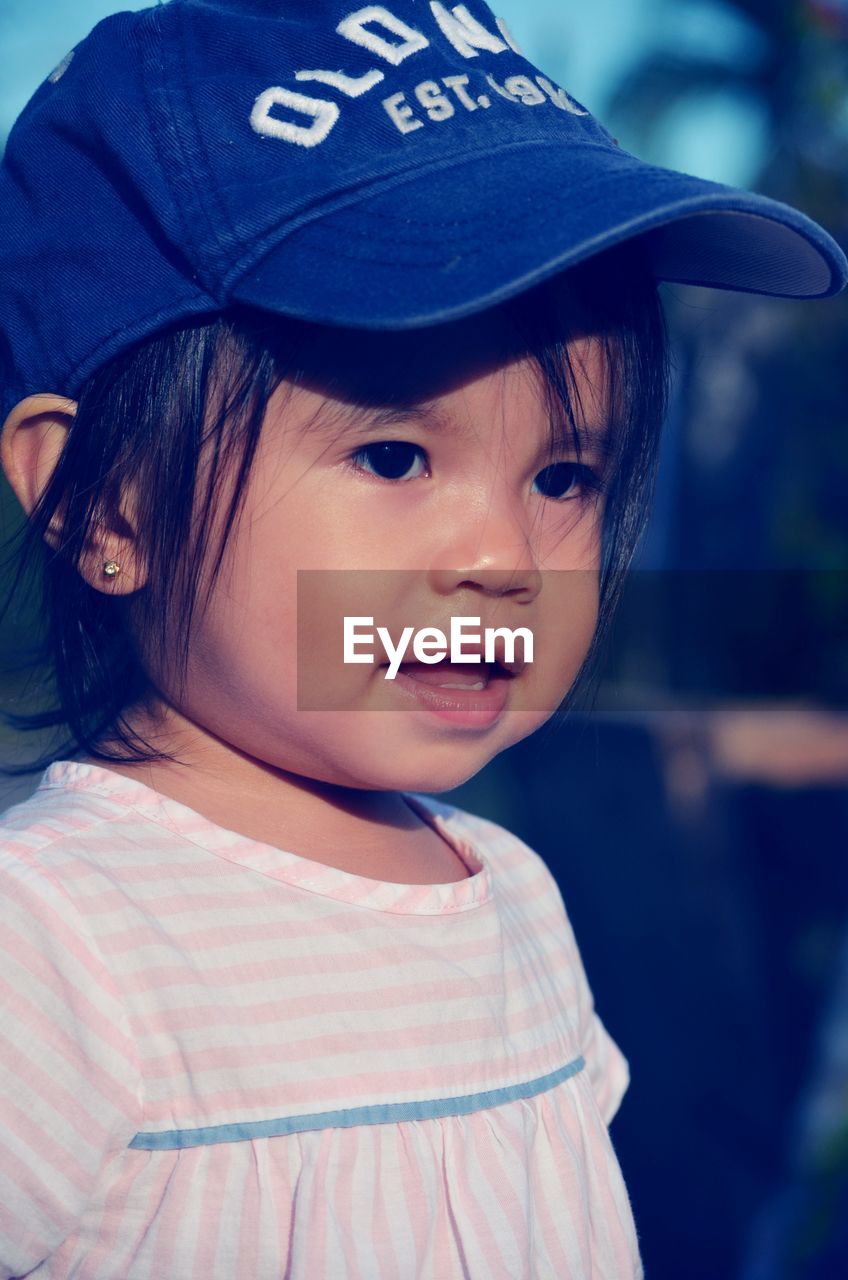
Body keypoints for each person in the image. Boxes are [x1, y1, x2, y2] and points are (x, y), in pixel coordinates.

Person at [0, 2, 843, 1277]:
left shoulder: (512, 897)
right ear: (99, 504)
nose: (503, 557)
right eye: (395, 456)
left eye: (564, 477)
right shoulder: (56, 942)